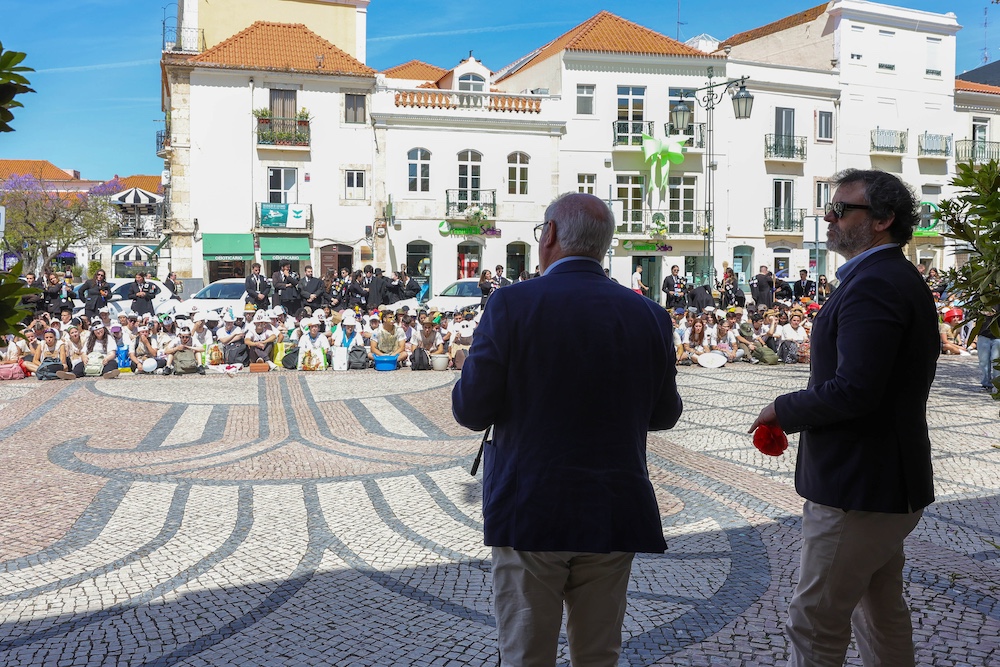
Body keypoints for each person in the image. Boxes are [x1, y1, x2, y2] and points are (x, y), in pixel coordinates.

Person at [452, 192, 683, 666]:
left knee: (526, 654)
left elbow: (471, 410)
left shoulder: (511, 304)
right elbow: (664, 415)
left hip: (531, 507)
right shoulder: (649, 314)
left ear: (550, 235)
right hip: (614, 507)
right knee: (599, 655)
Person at [750, 168, 939, 667]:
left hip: (859, 487)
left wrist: (782, 408)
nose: (829, 217)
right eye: (830, 208)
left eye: (841, 209)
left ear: (882, 219)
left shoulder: (875, 284)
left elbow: (856, 389)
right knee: (879, 612)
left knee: (814, 621)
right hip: (880, 483)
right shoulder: (884, 277)